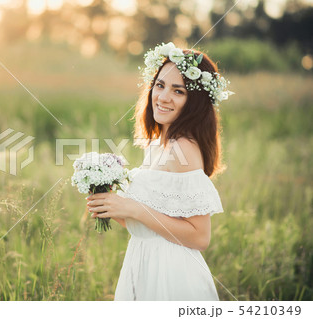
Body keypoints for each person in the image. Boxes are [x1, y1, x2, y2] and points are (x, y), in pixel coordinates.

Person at [86, 42, 234, 301]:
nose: (163, 97)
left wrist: (133, 208)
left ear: (195, 102)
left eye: (178, 91)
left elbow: (200, 237)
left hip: (171, 274)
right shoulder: (158, 145)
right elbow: (149, 225)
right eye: (160, 85)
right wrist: (111, 204)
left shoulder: (185, 149)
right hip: (143, 262)